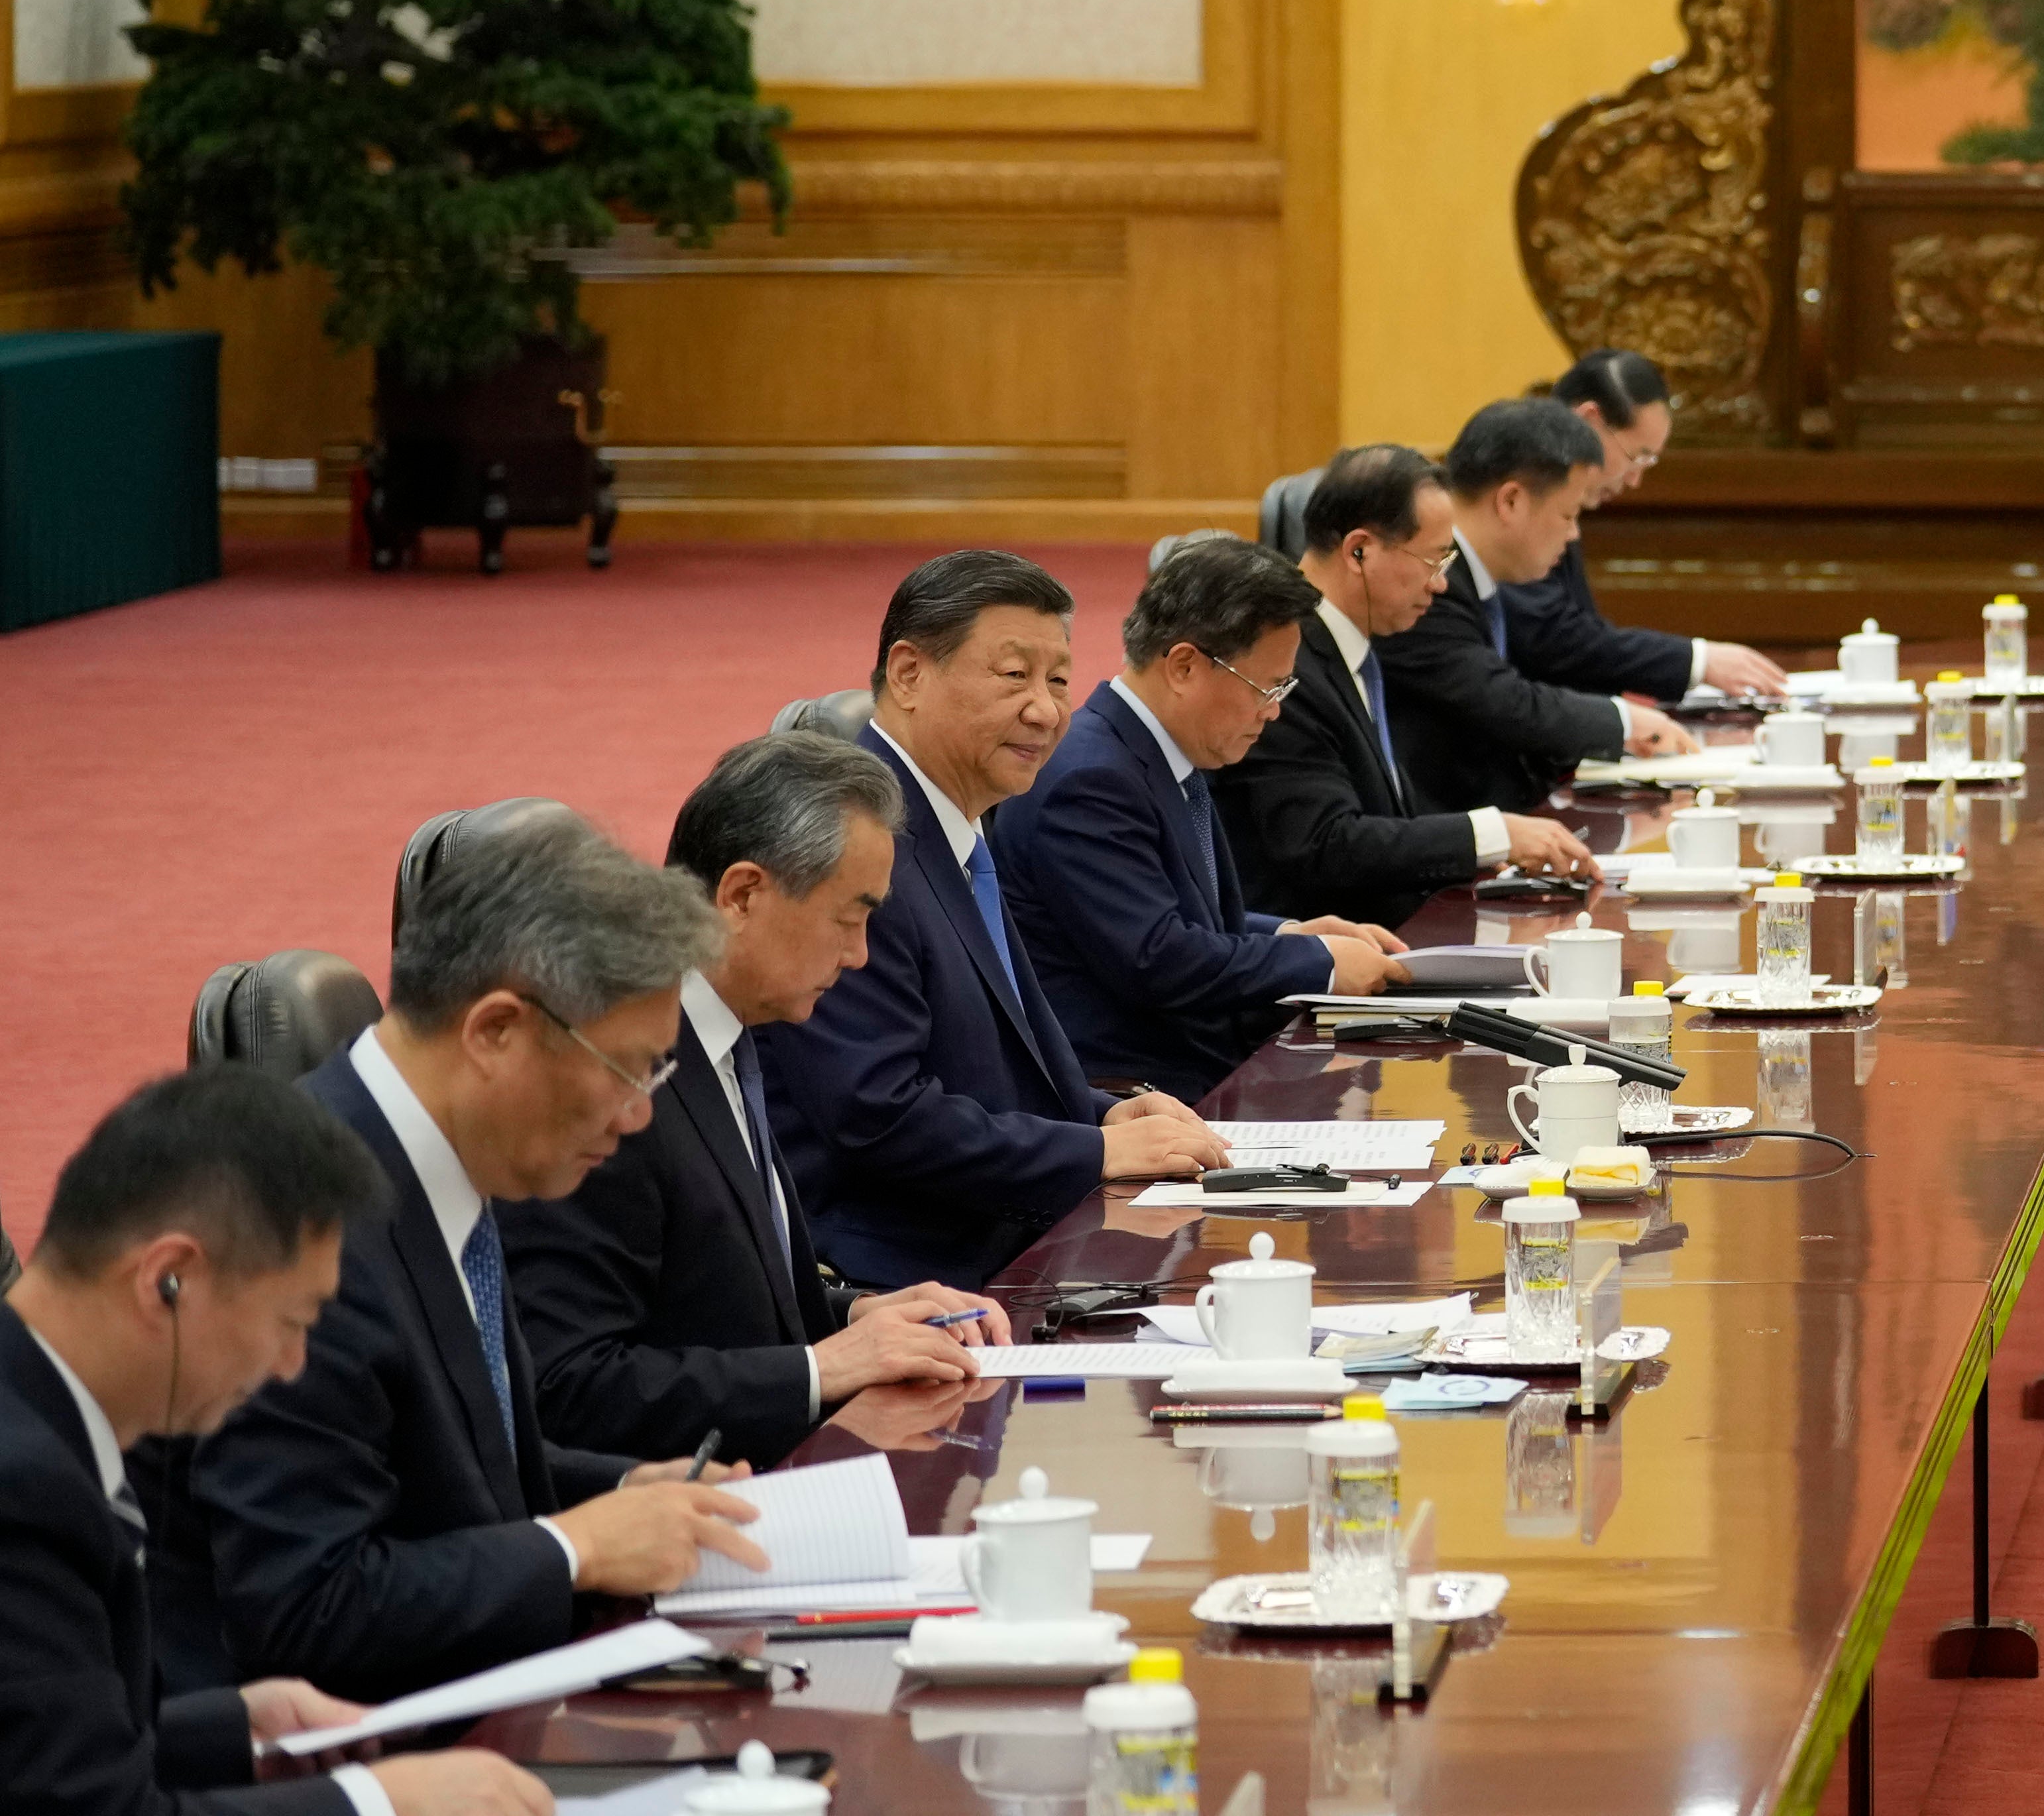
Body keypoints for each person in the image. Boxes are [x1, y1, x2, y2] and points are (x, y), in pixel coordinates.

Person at [5, 1070, 556, 1816]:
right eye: (291, 1321)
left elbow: (41, 1764)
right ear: (170, 1279)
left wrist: (233, 1732)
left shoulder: (38, 1409)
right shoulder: (23, 1484)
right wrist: (379, 1813)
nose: (294, 1365)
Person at [182, 815, 769, 1703]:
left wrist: (626, 1488)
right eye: (629, 1070)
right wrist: (578, 1547)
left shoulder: (436, 1163)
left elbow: (441, 1475)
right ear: (496, 1031)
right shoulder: (292, 1231)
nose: (640, 1114)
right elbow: (304, 1607)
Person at [508, 734, 1008, 1471]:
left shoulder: (730, 1040)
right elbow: (566, 1387)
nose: (861, 954)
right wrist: (820, 1369)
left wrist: (859, 1316)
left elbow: (725, 1305)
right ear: (742, 896)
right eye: (849, 917)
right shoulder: (611, 1081)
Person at [762, 552, 1221, 1296]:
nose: (1046, 711)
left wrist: (1101, 1116)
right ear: (909, 675)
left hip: (990, 1236)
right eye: (1014, 677)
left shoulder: (954, 824)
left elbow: (981, 1063)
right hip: (891, 1276)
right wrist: (1092, 1154)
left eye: (1060, 681)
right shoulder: (852, 846)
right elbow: (880, 1113)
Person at [1007, 534, 1410, 1104]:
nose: (1273, 710)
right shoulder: (1088, 779)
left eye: (1284, 687)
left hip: (1198, 1072)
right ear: (1185, 666)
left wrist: (1290, 932)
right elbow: (1158, 959)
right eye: (1264, 687)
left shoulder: (1156, 753)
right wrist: (1316, 962)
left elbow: (1176, 915)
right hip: (1137, 1097)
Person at [1226, 444, 1602, 928]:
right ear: (1359, 552)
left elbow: (1385, 818)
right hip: (1323, 965)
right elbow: (1325, 844)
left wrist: (1484, 854)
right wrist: (1489, 833)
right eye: (1433, 562)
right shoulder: (1285, 663)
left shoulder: (1354, 646)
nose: (1441, 585)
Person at [1381, 399, 1686, 819]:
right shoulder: (1430, 584)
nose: (1574, 533)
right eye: (1569, 513)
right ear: (1511, 502)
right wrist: (1625, 724)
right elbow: (1505, 704)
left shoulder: (1478, 580)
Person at [1511, 353, 1785, 705]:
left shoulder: (1552, 490)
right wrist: (1696, 662)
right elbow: (1551, 637)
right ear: (1590, 422)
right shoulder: (1522, 494)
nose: (1636, 480)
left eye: (1648, 463)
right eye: (1635, 457)